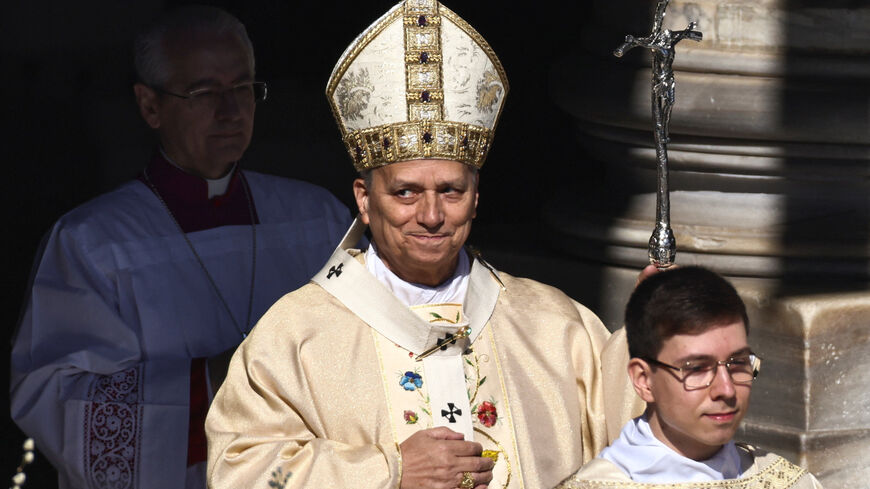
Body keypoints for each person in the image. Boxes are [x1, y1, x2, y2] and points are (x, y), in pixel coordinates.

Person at [205, 1, 641, 488]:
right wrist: (385, 473)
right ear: (365, 200)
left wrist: (659, 335)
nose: (431, 216)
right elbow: (242, 471)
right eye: (406, 192)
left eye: (451, 191)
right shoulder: (295, 337)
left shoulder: (557, 328)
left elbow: (641, 444)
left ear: (476, 198)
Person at [9, 6, 352, 489]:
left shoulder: (317, 218)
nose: (231, 111)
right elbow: (58, 405)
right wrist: (228, 375)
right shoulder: (91, 242)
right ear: (150, 106)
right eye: (204, 92)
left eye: (243, 88)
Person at [555, 267, 823, 488]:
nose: (726, 390)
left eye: (738, 363)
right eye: (696, 368)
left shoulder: (791, 483)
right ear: (644, 380)